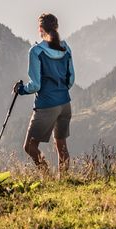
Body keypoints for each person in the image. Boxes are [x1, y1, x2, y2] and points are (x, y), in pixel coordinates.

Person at [13, 12, 75, 176]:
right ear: (56, 27)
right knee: (61, 146)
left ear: (40, 29)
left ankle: (48, 179)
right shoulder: (65, 48)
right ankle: (64, 181)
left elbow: (35, 85)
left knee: (30, 147)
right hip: (65, 104)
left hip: (47, 105)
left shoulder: (36, 51)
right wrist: (60, 90)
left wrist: (21, 90)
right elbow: (71, 80)